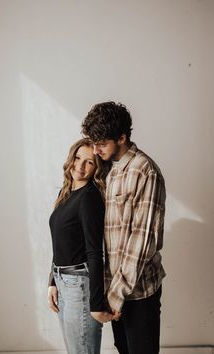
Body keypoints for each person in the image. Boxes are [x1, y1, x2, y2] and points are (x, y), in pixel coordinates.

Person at [81, 102, 166, 354]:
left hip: (138, 292)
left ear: (122, 137)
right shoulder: (107, 169)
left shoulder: (144, 170)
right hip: (114, 289)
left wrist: (115, 294)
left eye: (102, 143)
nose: (96, 150)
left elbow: (142, 241)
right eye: (93, 142)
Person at [47, 138, 113, 354]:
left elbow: (95, 253)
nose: (80, 166)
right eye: (78, 158)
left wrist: (96, 305)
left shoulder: (89, 199)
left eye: (89, 162)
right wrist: (52, 282)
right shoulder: (65, 194)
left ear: (96, 169)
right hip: (63, 280)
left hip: (79, 287)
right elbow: (60, 244)